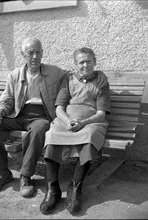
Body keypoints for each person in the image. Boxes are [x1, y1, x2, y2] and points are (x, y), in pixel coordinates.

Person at [0, 38, 108, 198]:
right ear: (23, 55)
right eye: (30, 53)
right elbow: (7, 99)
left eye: (38, 52)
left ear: (42, 53)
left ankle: (25, 176)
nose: (35, 56)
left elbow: (77, 74)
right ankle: (2, 173)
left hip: (41, 116)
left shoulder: (54, 72)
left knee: (38, 130)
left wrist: (98, 75)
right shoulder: (15, 75)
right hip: (18, 113)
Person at [40, 47, 111, 214]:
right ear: (75, 64)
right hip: (67, 120)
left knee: (90, 137)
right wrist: (67, 122)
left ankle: (75, 187)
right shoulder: (68, 80)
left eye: (88, 61)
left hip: (91, 122)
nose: (85, 65)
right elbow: (59, 108)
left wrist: (84, 122)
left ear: (95, 62)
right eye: (81, 62)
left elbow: (101, 113)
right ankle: (53, 188)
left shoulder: (101, 82)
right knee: (51, 135)